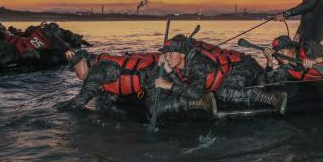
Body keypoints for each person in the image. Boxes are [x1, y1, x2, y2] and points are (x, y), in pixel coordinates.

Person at [150, 35, 288, 115]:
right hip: (231, 72)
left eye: (171, 53)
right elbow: (185, 86)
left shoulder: (197, 63)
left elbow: (196, 93)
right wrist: (170, 72)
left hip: (243, 66)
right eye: (165, 53)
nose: (167, 57)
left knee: (223, 92)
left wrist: (169, 84)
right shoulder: (180, 64)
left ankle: (273, 98)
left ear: (182, 54)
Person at [57, 49, 214, 116]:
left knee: (154, 109)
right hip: (146, 74)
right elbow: (107, 92)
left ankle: (200, 101)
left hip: (150, 76)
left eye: (75, 68)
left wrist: (57, 108)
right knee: (105, 101)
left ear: (83, 63)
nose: (75, 73)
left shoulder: (96, 73)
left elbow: (80, 100)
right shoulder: (97, 67)